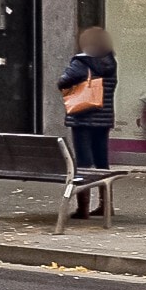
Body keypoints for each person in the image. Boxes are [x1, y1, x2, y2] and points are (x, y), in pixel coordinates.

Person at [56, 26, 117, 218]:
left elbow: (63, 81)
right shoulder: (110, 61)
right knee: (102, 162)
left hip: (82, 118)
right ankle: (106, 205)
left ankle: (83, 208)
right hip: (104, 118)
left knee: (83, 163)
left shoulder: (81, 62)